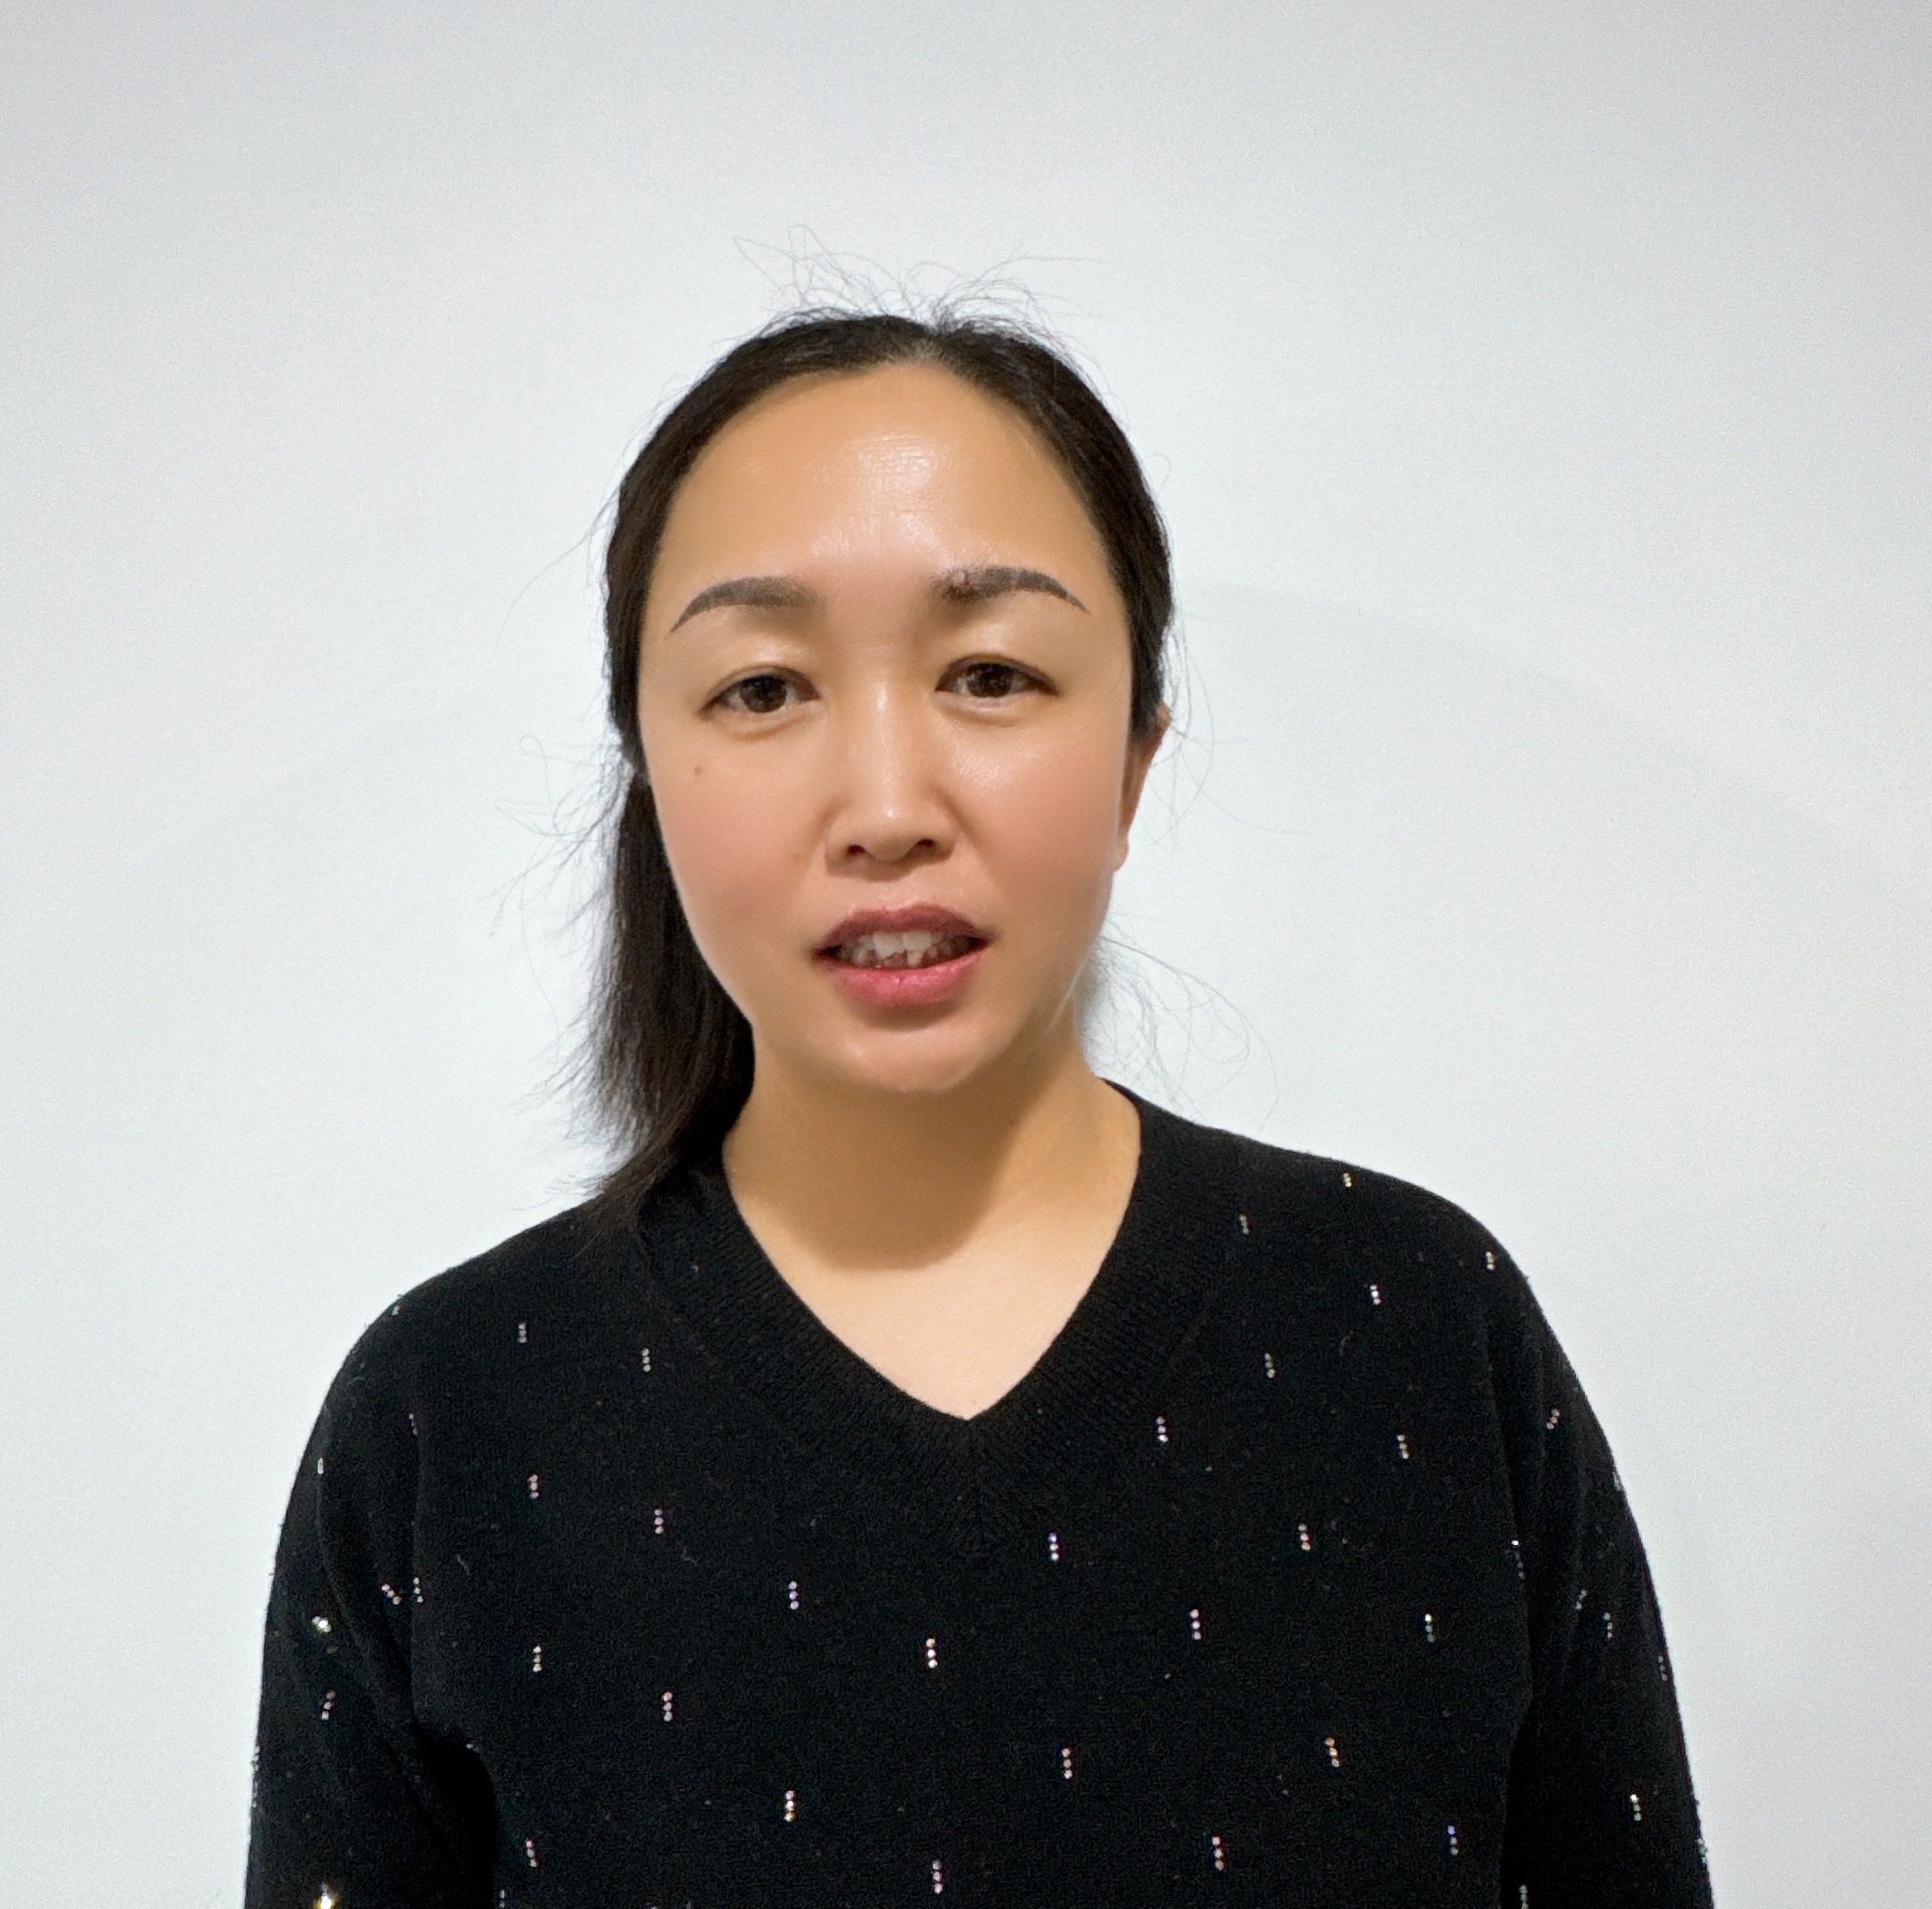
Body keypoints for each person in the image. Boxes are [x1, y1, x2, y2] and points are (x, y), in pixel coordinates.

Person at [244, 307, 1713, 1907]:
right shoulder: (451, 1411)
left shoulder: (1419, 1327)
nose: (887, 809)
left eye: (993, 673)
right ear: (647, 774)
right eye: (762, 688)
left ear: (1138, 755)